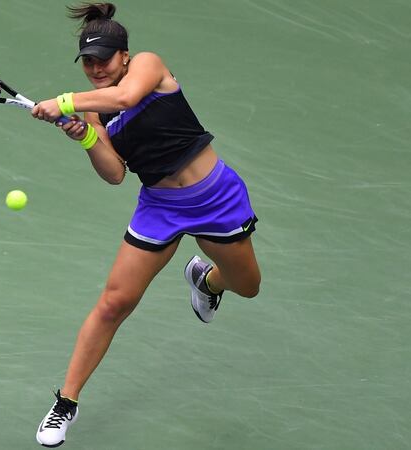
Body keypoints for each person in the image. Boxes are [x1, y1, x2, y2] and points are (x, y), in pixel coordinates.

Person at [30, 2, 262, 447]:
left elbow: (125, 98)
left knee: (247, 286)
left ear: (125, 55)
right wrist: (85, 137)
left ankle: (207, 281)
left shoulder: (149, 67)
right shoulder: (95, 111)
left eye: (104, 58)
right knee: (115, 303)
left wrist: (61, 102)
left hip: (216, 197)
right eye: (88, 62)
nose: (96, 68)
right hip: (159, 206)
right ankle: (66, 402)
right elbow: (115, 173)